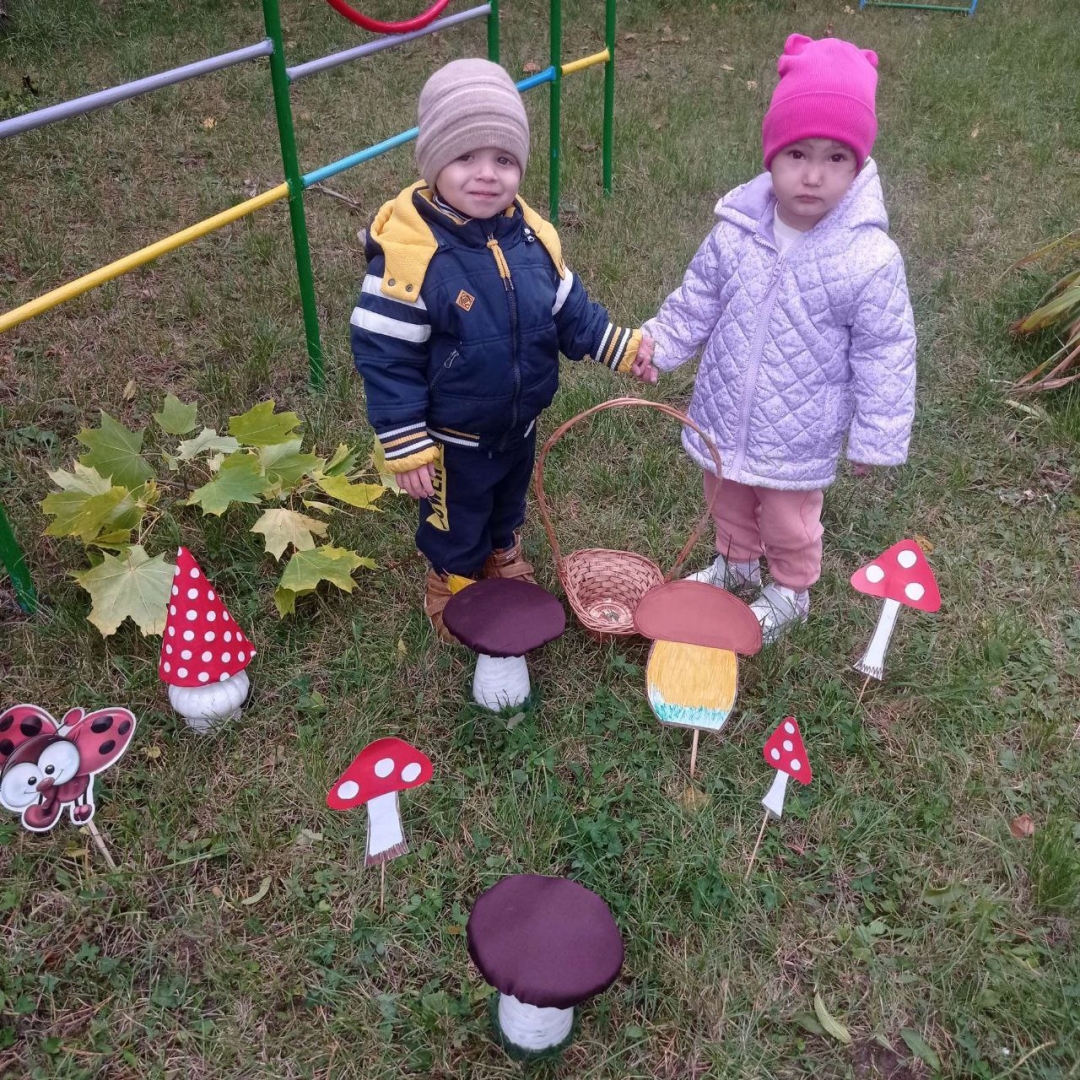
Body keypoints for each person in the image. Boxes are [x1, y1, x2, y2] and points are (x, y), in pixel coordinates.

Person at [351, 59, 652, 639]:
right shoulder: (410, 258)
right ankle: (454, 579)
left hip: (519, 424)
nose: (487, 175)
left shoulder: (533, 240)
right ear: (433, 162)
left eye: (504, 160)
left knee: (507, 501)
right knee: (456, 519)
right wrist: (406, 442)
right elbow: (385, 357)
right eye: (466, 157)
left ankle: (501, 551)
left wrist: (621, 347)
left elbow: (571, 311)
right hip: (451, 438)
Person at [632, 34, 916, 642]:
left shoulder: (867, 257)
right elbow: (699, 297)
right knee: (727, 495)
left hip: (800, 427)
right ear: (771, 156)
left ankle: (790, 589)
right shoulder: (737, 229)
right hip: (725, 408)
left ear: (858, 165)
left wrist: (875, 434)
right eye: (797, 154)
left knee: (789, 518)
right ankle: (736, 564)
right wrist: (659, 343)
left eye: (835, 158)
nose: (812, 175)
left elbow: (885, 350)